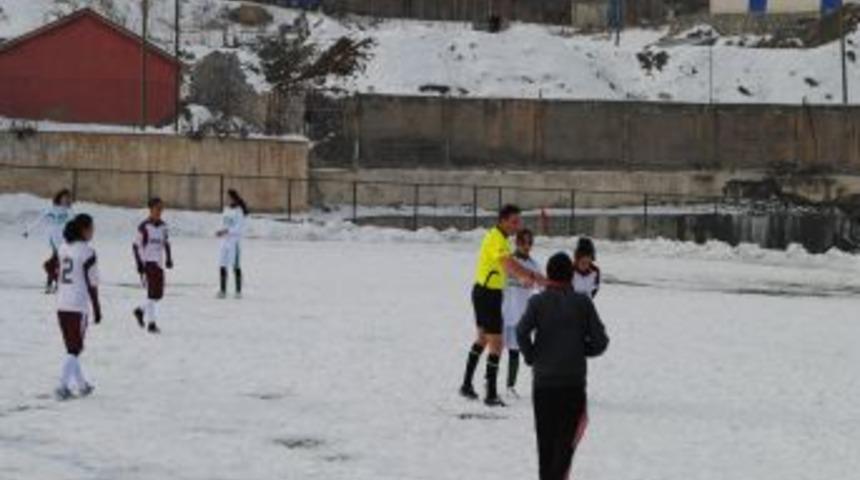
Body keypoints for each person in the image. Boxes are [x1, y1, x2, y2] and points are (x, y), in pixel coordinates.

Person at [517, 252, 609, 480]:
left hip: (543, 383)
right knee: (565, 446)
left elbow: (520, 332)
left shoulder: (537, 302)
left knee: (546, 444)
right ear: (571, 275)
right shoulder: (583, 303)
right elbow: (601, 342)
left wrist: (531, 357)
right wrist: (580, 349)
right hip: (572, 382)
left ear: (548, 274)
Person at [459, 204, 548, 407]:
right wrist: (530, 275)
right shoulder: (496, 239)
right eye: (514, 221)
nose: (517, 225)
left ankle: (466, 385)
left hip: (485, 293)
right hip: (487, 294)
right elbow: (509, 265)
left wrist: (532, 276)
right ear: (503, 220)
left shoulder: (499, 238)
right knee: (496, 344)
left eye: (519, 221)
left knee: (482, 339)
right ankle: (490, 393)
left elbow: (510, 265)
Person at [54, 214, 102, 400]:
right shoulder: (88, 252)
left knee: (71, 348)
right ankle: (62, 386)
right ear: (84, 230)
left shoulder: (63, 248)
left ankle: (82, 385)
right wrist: (97, 309)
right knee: (75, 349)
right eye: (92, 227)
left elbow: (54, 268)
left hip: (61, 304)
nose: (93, 231)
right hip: (78, 305)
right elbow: (92, 284)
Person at [501, 228, 541, 398]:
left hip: (521, 315)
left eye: (530, 243)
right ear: (516, 243)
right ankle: (489, 381)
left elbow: (540, 286)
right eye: (523, 242)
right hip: (504, 312)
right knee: (495, 349)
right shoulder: (508, 261)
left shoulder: (533, 265)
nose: (527, 246)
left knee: (515, 351)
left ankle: (510, 386)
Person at [133, 198, 173, 334]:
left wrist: (169, 258)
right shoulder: (144, 226)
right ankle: (151, 324)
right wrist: (139, 264)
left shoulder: (163, 226)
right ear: (150, 209)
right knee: (151, 293)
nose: (160, 211)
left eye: (161, 209)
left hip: (159, 263)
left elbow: (166, 242)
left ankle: (140, 310)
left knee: (158, 295)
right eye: (157, 208)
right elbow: (136, 246)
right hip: (148, 263)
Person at [23, 189, 74, 293]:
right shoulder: (51, 209)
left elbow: (74, 223)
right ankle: (55, 284)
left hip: (64, 239)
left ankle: (51, 284)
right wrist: (28, 230)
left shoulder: (69, 211)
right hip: (53, 239)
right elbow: (39, 220)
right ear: (59, 198)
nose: (66, 200)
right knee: (56, 261)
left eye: (68, 198)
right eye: (64, 198)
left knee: (57, 262)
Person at [217, 189, 248, 299]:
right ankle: (222, 290)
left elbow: (238, 228)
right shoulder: (226, 210)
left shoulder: (239, 211)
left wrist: (227, 231)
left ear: (233, 198)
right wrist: (220, 231)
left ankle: (238, 291)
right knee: (222, 264)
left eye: (228, 197)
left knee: (235, 266)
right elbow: (223, 223)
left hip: (234, 242)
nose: (226, 199)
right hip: (224, 242)